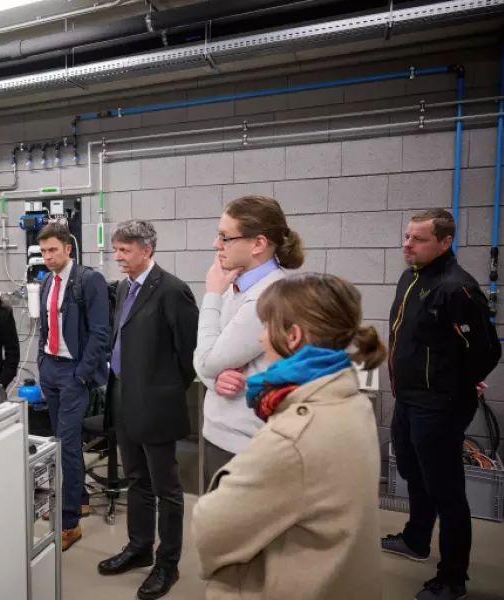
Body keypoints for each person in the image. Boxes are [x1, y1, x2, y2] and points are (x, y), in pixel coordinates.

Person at [191, 272, 385, 600]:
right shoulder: (351, 400)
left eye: (266, 326)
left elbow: (210, 529)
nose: (261, 338)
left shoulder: (292, 437)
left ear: (292, 336)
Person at [382, 209, 501, 600]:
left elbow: (487, 350)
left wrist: (458, 382)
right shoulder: (412, 277)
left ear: (445, 242)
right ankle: (416, 539)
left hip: (439, 406)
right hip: (408, 398)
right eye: (407, 236)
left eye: (418, 239)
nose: (407, 244)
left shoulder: (457, 288)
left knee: (446, 492)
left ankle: (452, 579)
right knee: (413, 472)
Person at [97, 219, 198, 600]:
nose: (118, 256)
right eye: (116, 249)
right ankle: (139, 547)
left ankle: (167, 563)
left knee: (166, 488)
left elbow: (189, 355)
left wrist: (163, 390)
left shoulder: (172, 290)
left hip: (156, 403)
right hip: (124, 397)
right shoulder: (125, 287)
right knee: (137, 479)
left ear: (147, 250)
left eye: (125, 250)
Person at [193, 195, 303, 488]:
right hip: (223, 433)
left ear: (258, 244)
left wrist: (212, 295)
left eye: (225, 237)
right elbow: (204, 358)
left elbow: (206, 359)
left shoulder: (267, 297)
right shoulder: (238, 287)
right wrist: (213, 378)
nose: (216, 244)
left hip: (244, 443)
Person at [36, 223, 111, 551]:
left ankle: (69, 522)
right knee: (62, 442)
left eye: (53, 250)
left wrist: (81, 375)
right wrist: (42, 361)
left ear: (68, 248)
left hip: (73, 373)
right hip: (51, 369)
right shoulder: (47, 282)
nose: (48, 256)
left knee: (67, 445)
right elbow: (46, 326)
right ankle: (78, 501)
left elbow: (100, 333)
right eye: (43, 251)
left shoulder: (88, 281)